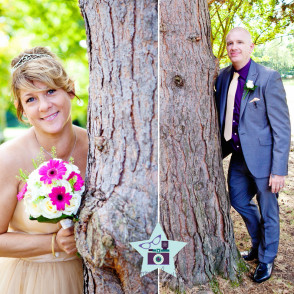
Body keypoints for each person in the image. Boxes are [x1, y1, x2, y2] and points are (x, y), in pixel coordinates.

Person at [0, 47, 88, 293]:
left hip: (93, 277)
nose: (44, 106)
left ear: (69, 90)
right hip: (30, 282)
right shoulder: (8, 159)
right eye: (31, 99)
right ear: (23, 111)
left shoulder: (97, 148)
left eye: (51, 91)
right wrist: (54, 243)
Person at [215, 27, 291, 283]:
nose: (233, 47)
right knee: (237, 200)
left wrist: (279, 169)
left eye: (239, 43)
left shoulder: (269, 78)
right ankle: (260, 245)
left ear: (250, 47)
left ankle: (266, 259)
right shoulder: (224, 77)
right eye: (229, 43)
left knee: (269, 211)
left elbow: (282, 128)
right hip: (238, 157)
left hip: (265, 160)